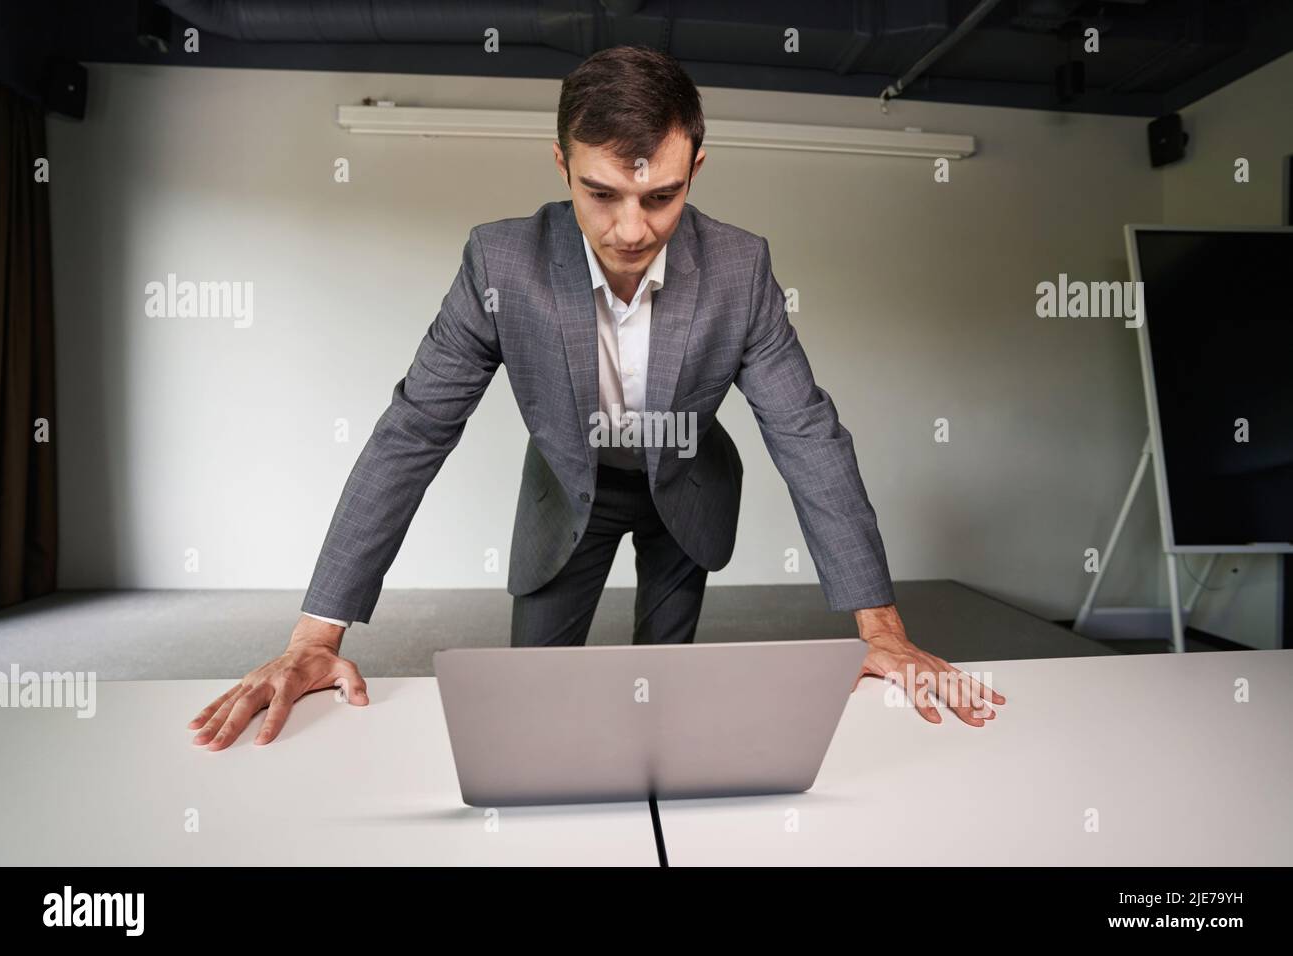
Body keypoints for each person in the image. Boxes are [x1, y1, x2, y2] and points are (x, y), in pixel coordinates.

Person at [189, 45, 1004, 751]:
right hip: (567, 486)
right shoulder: (499, 265)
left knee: (662, 689)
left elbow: (806, 431)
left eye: (661, 196)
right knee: (532, 701)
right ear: (560, 165)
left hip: (685, 483)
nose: (630, 230)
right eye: (601, 192)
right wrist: (313, 634)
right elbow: (413, 431)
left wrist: (882, 631)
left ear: (696, 170)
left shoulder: (739, 267)